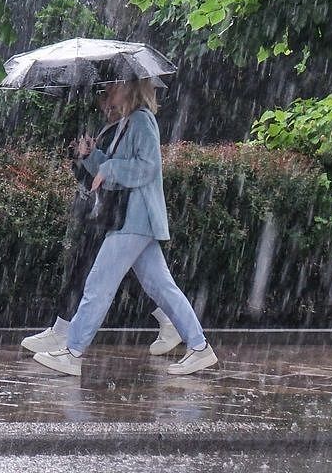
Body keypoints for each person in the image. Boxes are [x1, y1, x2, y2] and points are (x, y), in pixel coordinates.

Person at [31, 76, 218, 377]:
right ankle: (199, 347)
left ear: (130, 88)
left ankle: (73, 351)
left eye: (114, 85)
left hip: (135, 218)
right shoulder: (128, 123)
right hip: (132, 218)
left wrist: (106, 167)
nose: (108, 92)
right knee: (162, 287)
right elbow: (115, 171)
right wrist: (91, 156)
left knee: (98, 285)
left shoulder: (142, 121)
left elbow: (146, 168)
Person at [20, 89, 182, 357]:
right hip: (108, 212)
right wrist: (84, 157)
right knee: (121, 276)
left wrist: (101, 165)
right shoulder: (113, 128)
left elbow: (134, 168)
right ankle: (174, 324)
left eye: (109, 97)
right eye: (103, 99)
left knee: (94, 274)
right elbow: (98, 170)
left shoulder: (133, 124)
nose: (106, 104)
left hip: (119, 213)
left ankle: (68, 341)